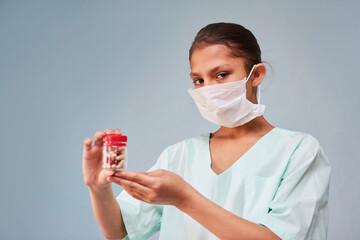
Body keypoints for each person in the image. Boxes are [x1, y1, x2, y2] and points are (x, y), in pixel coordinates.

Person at [82, 22, 331, 240]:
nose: (208, 89)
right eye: (198, 80)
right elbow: (119, 230)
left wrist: (184, 198)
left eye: (221, 75)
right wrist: (98, 188)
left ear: (256, 75)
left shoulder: (298, 151)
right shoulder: (178, 155)